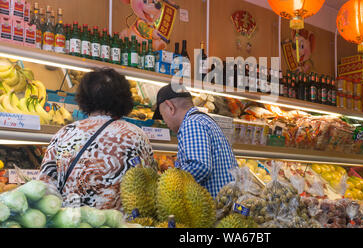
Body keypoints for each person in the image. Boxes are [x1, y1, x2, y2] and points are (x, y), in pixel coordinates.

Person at [39, 68, 157, 209]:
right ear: (125, 98)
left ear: (83, 97)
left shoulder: (64, 133)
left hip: (72, 221)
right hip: (118, 223)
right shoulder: (136, 136)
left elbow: (45, 186)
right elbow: (148, 186)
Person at [152, 84, 237, 198]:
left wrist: (168, 186)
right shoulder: (202, 119)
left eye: (162, 115)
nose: (165, 122)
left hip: (214, 208)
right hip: (223, 204)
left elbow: (199, 166)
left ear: (170, 107)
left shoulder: (192, 123)